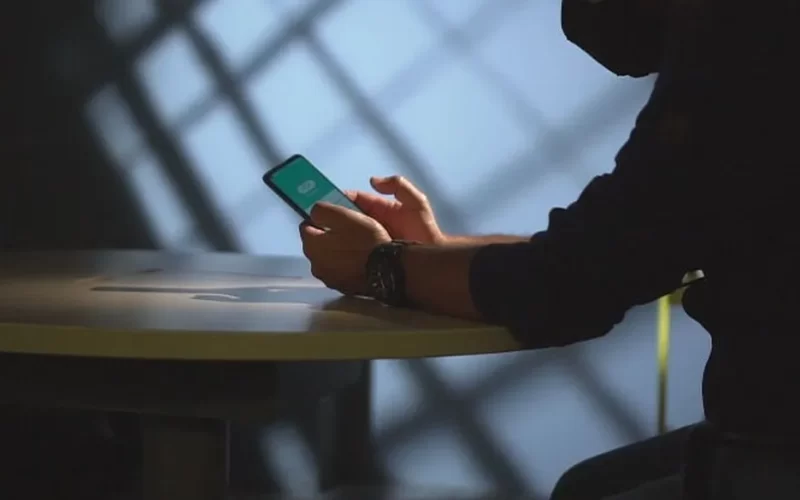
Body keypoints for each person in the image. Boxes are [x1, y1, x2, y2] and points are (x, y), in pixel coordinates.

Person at [299, 0, 799, 498]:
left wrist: (383, 265)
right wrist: (435, 253)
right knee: (585, 486)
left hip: (774, 443)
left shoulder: (740, 42)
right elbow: (617, 240)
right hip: (762, 423)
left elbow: (567, 287)